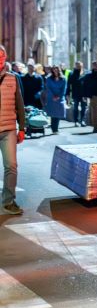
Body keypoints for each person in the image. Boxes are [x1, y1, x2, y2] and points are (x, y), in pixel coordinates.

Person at [0, 45, 27, 215]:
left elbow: (20, 105)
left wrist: (22, 128)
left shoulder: (12, 78)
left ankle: (8, 201)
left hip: (8, 129)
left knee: (11, 166)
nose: (0, 59)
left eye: (2, 56)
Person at [42, 66, 68, 134]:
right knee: (53, 114)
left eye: (56, 69)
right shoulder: (48, 79)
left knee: (58, 113)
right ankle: (54, 129)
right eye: (54, 69)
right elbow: (48, 88)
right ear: (52, 71)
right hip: (51, 97)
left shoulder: (63, 79)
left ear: (59, 70)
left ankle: (55, 128)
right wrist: (53, 96)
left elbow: (64, 89)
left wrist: (59, 96)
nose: (55, 71)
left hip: (60, 98)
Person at [66, 61, 87, 126]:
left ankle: (83, 120)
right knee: (75, 108)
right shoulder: (72, 74)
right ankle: (76, 121)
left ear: (82, 66)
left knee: (84, 108)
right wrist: (68, 93)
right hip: (75, 93)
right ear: (75, 66)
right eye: (77, 65)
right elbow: (69, 84)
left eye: (80, 65)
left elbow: (88, 84)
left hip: (84, 94)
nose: (79, 67)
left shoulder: (85, 73)